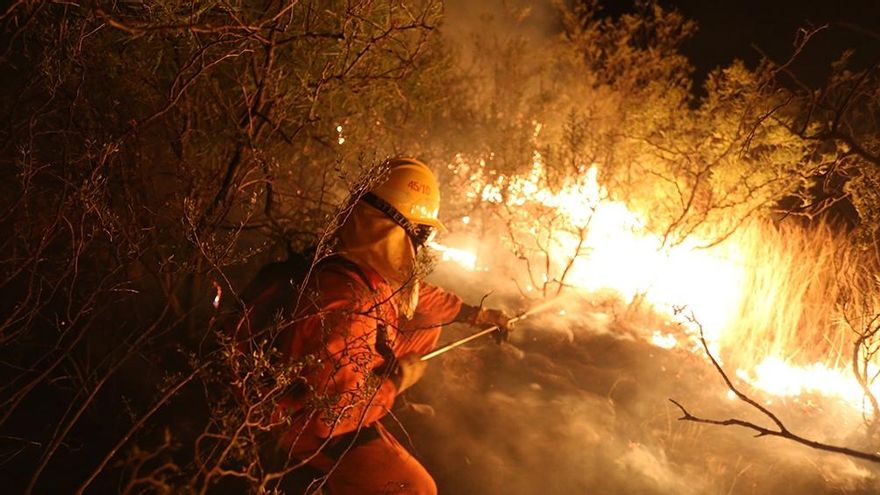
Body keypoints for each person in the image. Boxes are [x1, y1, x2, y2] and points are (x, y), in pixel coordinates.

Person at [270, 158, 511, 494]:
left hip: (317, 376)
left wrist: (475, 314)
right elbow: (330, 416)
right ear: (396, 228)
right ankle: (322, 469)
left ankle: (377, 402)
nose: (421, 242)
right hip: (299, 422)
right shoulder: (352, 307)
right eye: (422, 232)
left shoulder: (349, 259)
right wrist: (395, 381)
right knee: (417, 488)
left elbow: (417, 296)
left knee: (429, 322)